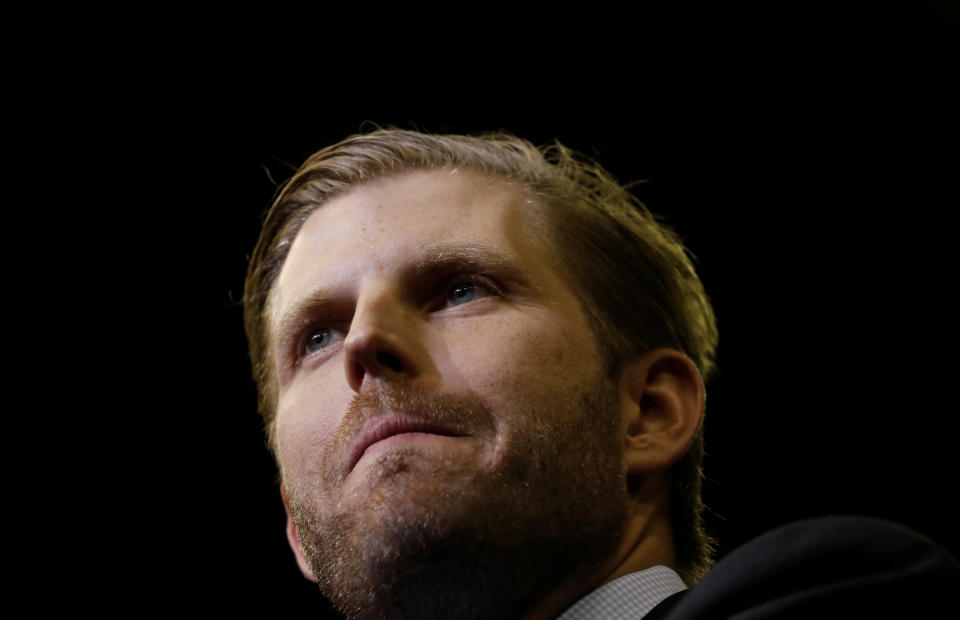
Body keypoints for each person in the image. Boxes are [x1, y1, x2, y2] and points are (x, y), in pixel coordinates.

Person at [241, 129, 958, 619]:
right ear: (297, 528)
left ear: (647, 412)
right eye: (318, 337)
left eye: (460, 290)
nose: (365, 341)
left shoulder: (836, 596)